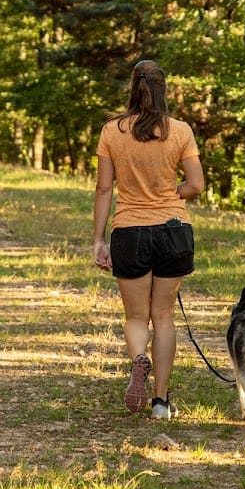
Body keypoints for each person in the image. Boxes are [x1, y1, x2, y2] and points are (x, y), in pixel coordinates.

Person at [93, 60, 205, 419]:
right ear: (163, 89)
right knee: (165, 316)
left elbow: (104, 188)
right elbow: (196, 185)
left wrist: (98, 239)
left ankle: (139, 357)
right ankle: (160, 402)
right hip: (174, 230)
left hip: (130, 231)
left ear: (132, 88)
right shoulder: (180, 130)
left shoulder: (112, 131)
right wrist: (173, 192)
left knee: (137, 316)